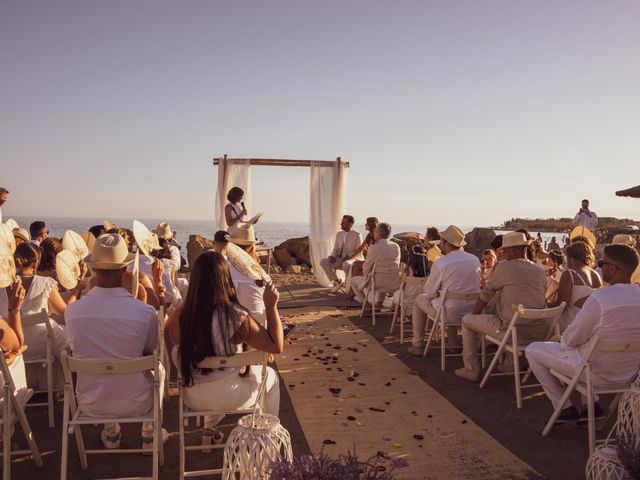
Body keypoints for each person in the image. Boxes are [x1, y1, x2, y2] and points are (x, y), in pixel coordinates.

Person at [164, 250, 282, 445]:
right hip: (231, 397)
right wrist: (271, 307)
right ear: (225, 279)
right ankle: (268, 439)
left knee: (213, 376)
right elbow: (276, 346)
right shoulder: (235, 317)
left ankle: (209, 428)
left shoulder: (177, 317)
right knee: (270, 376)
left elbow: (173, 361)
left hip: (192, 398)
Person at [65, 233, 166, 450]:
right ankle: (149, 434)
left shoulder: (72, 311)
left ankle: (111, 433)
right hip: (137, 402)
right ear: (124, 270)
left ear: (93, 270)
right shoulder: (144, 312)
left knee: (100, 357)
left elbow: (75, 348)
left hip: (90, 403)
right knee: (158, 366)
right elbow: (150, 351)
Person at [525, 244, 640, 422]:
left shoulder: (601, 299)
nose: (599, 267)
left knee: (533, 350)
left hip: (595, 374)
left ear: (612, 268)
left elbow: (571, 339)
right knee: (585, 353)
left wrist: (562, 343)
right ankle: (590, 407)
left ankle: (564, 407)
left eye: (602, 263)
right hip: (627, 376)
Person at [455, 232, 547, 382]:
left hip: (512, 333)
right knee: (515, 313)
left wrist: (475, 314)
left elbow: (486, 294)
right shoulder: (539, 270)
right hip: (539, 331)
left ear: (512, 250)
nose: (503, 254)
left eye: (504, 251)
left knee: (467, 320)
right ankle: (509, 366)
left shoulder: (505, 267)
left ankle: (471, 369)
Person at [0, 243, 82, 389]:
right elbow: (65, 311)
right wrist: (76, 291)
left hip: (13, 350)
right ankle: (63, 388)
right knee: (68, 340)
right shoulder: (44, 284)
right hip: (42, 346)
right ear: (36, 262)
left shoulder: (2, 286)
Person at [408, 225, 480, 356]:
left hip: (449, 314)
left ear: (447, 243)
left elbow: (429, 292)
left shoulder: (442, 262)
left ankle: (417, 345)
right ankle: (453, 344)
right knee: (448, 301)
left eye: (441, 241)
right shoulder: (474, 259)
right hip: (472, 311)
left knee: (422, 300)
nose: (440, 244)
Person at [548, 241, 602, 332]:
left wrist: (546, 305)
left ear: (571, 258)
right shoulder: (596, 274)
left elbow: (562, 305)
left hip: (572, 323)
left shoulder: (569, 274)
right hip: (591, 323)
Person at [225, 223, 267, 325]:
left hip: (230, 323)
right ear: (252, 249)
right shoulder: (261, 275)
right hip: (258, 323)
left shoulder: (221, 267)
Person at [350, 222, 400, 306]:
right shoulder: (396, 246)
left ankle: (365, 304)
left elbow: (365, 269)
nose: (373, 232)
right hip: (393, 282)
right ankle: (379, 304)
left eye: (375, 230)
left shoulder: (374, 248)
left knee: (353, 280)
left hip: (376, 283)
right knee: (382, 276)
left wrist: (367, 275)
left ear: (379, 233)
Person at [320, 215, 363, 292]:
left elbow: (359, 250)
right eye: (341, 222)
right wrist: (332, 256)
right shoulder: (339, 234)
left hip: (353, 259)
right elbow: (335, 248)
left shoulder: (357, 235)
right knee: (323, 262)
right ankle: (337, 281)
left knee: (345, 264)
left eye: (343, 222)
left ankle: (349, 286)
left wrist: (349, 256)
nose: (341, 224)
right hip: (340, 259)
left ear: (350, 224)